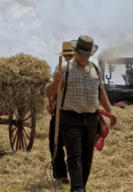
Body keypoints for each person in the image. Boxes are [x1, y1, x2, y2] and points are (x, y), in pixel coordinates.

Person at [46, 35, 117, 192]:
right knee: (74, 154)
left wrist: (110, 112)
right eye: (81, 54)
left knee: (87, 157)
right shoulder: (63, 69)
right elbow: (48, 92)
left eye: (87, 55)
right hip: (69, 118)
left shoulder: (95, 70)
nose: (84, 58)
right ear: (76, 51)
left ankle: (81, 187)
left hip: (91, 118)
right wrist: (55, 82)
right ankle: (77, 189)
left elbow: (100, 92)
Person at [47, 42, 75, 185]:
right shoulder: (59, 69)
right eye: (65, 55)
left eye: (70, 55)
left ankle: (74, 173)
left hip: (76, 113)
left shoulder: (83, 70)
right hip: (59, 111)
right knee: (54, 143)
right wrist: (50, 102)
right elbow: (52, 89)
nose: (67, 58)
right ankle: (62, 175)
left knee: (74, 147)